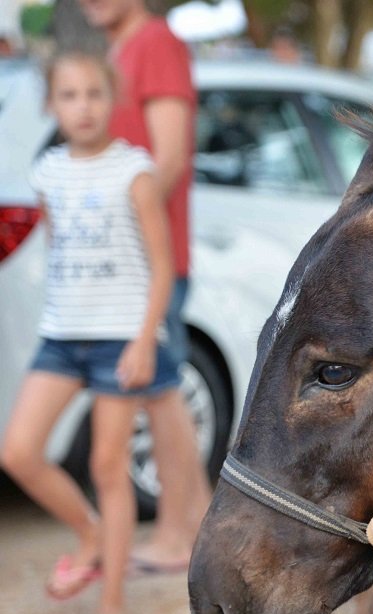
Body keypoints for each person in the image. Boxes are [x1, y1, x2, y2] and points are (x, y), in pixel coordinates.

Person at [0, 51, 175, 614]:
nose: (82, 107)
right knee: (19, 452)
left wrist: (143, 340)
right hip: (61, 335)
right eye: (69, 96)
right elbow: (58, 252)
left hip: (118, 340)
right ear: (53, 105)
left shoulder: (135, 171)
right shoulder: (47, 171)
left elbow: (161, 266)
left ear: (112, 100)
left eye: (93, 94)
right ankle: (90, 536)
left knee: (107, 467)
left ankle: (112, 605)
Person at [80, 0, 209, 573]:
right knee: (159, 393)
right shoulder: (118, 49)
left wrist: (119, 226)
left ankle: (183, 536)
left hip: (150, 259)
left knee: (160, 393)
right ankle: (192, 527)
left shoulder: (154, 41)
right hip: (125, 263)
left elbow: (171, 157)